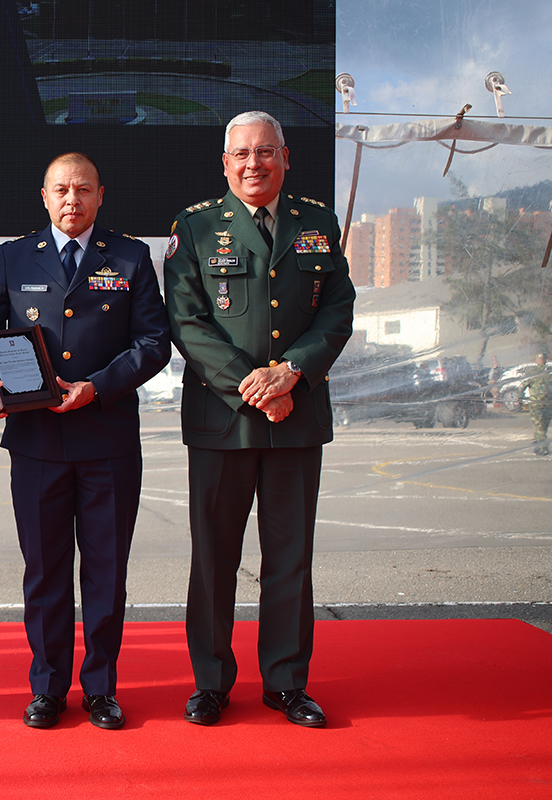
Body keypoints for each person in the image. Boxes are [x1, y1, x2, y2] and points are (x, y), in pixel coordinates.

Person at [0, 153, 170, 730]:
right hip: (36, 443)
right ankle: (47, 686)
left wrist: (96, 388)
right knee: (45, 570)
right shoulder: (13, 256)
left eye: (82, 189)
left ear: (101, 195)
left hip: (108, 440)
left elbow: (153, 343)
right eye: (61, 190)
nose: (71, 199)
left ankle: (100, 687)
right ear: (44, 197)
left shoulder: (129, 257)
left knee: (106, 569)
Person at [162, 111, 355, 728]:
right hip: (223, 422)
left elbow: (339, 309)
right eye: (241, 154)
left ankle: (287, 683)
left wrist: (292, 372)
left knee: (291, 557)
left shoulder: (318, 223)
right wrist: (255, 389)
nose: (254, 163)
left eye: (265, 152)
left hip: (296, 417)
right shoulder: (193, 229)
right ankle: (212, 683)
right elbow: (186, 322)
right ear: (225, 163)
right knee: (213, 558)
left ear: (285, 157)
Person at [524, 353, 551, 455]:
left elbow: (522, 386)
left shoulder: (533, 373)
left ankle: (543, 447)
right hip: (548, 404)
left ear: (536, 361)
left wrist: (519, 398)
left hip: (536, 405)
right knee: (543, 426)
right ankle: (538, 444)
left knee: (539, 428)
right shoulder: (550, 372)